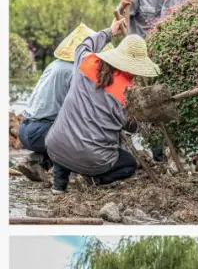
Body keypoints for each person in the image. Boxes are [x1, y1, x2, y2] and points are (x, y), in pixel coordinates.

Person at [45, 18, 160, 194]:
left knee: (67, 135)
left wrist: (109, 32)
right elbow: (132, 126)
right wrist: (150, 118)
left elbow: (83, 46)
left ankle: (59, 185)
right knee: (129, 164)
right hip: (93, 159)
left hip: (56, 148)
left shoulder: (87, 62)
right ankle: (93, 178)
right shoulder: (128, 93)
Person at [15, 24, 94, 182]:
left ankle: (35, 161)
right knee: (84, 132)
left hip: (25, 130)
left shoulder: (54, 64)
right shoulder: (75, 71)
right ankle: (73, 173)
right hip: (41, 131)